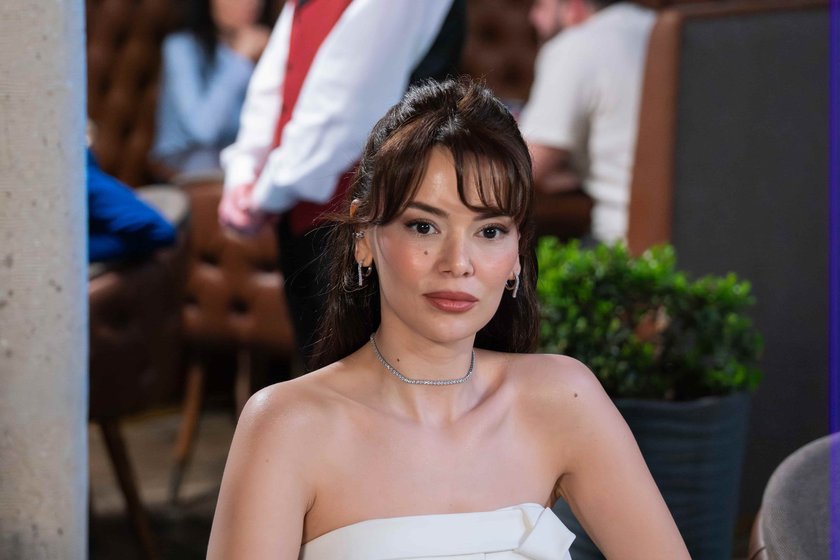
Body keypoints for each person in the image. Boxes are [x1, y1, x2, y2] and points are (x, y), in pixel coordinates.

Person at [207, 79, 689, 559]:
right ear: (364, 237)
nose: (458, 263)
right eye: (424, 226)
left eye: (490, 231)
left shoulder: (563, 399)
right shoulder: (288, 427)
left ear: (518, 253)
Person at [217, 0, 465, 365]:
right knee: (318, 369)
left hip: (367, 215)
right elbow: (274, 80)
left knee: (366, 375)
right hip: (301, 208)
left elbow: (343, 112)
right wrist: (245, 172)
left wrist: (263, 194)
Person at [519, 0, 655, 245]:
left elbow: (526, 167)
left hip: (623, 245)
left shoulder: (576, 45)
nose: (533, 18)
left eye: (541, 6)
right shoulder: (658, 27)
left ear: (574, 8)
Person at [151, 0, 272, 174]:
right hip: (182, 166)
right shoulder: (180, 47)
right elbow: (204, 130)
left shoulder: (267, 46)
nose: (250, 3)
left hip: (238, 163)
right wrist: (239, 58)